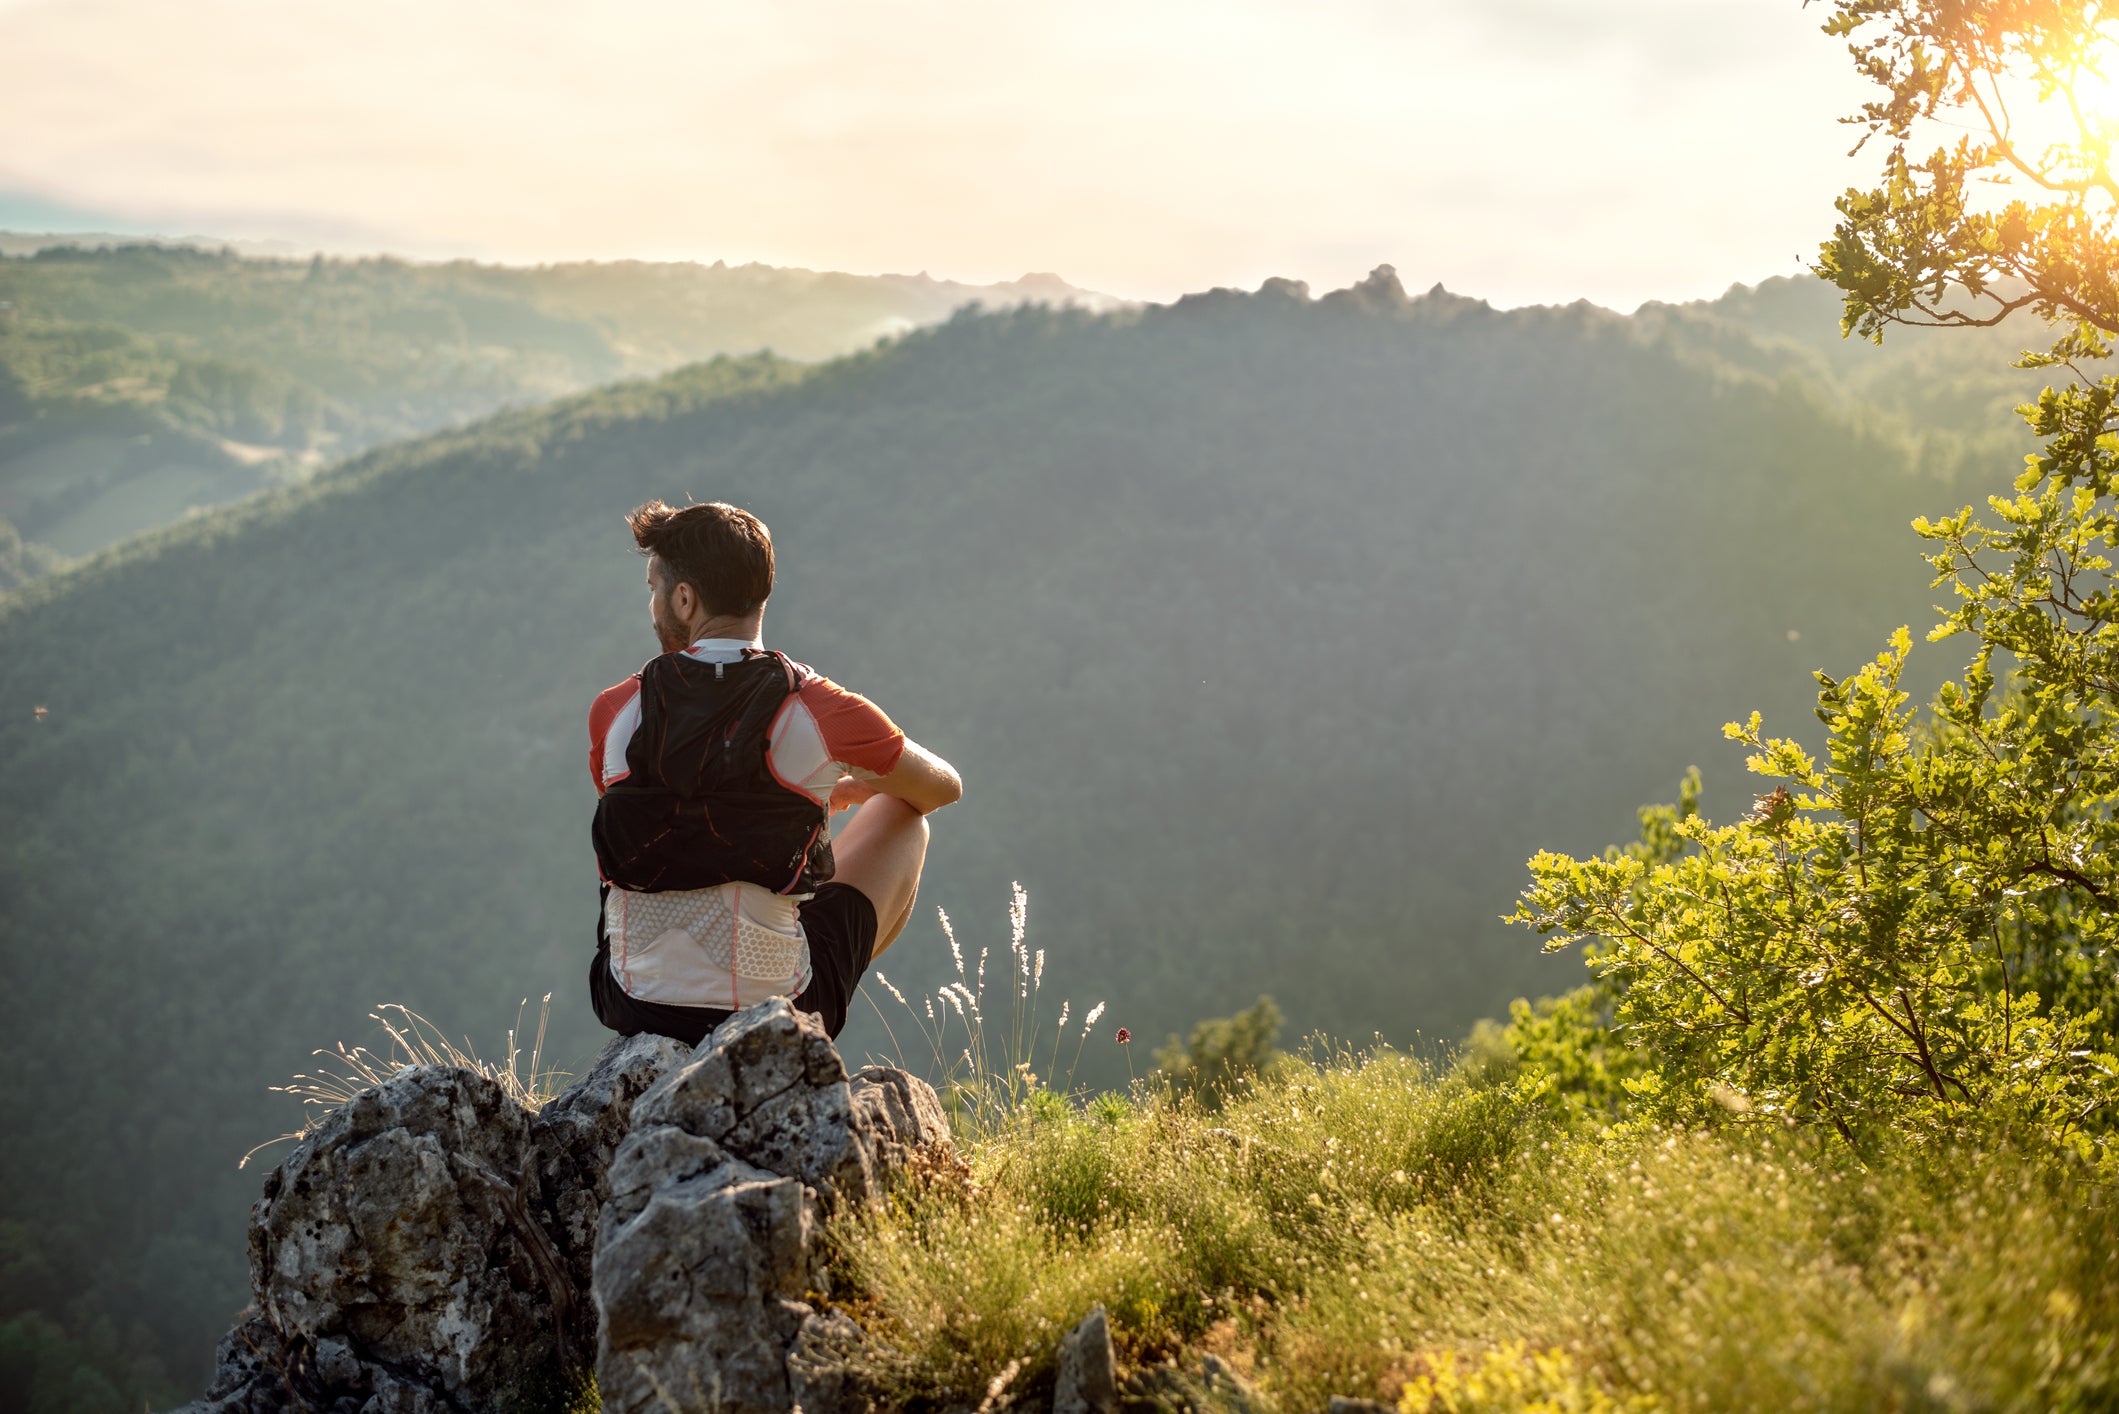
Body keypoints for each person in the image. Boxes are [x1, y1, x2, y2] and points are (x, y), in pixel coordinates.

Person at [586, 499, 961, 1044]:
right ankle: (796, 997)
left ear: (684, 599)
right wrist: (849, 783)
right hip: (771, 1018)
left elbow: (666, 823)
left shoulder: (615, 710)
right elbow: (943, 787)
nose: (651, 605)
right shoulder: (821, 707)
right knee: (906, 816)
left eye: (653, 588)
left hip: (628, 1001)